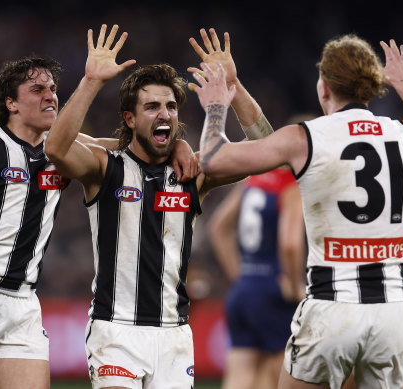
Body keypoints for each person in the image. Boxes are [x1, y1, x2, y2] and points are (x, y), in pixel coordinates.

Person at [0, 54, 197, 388]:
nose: (50, 96)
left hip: (23, 303)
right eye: (37, 89)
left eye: (53, 88)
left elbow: (133, 149)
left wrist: (178, 145)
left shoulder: (65, 148)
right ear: (11, 103)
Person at [191, 35, 403, 388]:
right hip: (392, 311)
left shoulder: (307, 138)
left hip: (331, 307)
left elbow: (213, 159)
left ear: (324, 85)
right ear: (370, 86)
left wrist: (216, 105)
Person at [44, 25, 270, 388]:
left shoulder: (194, 172)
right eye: (151, 107)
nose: (164, 114)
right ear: (130, 120)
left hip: (173, 336)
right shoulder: (106, 167)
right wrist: (90, 81)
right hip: (116, 331)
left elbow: (269, 150)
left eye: (170, 107)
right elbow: (55, 148)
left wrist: (235, 86)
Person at [209, 168, 305, 389]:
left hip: (243, 291)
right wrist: (293, 285)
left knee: (239, 378)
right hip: (274, 291)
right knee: (280, 379)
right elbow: (290, 243)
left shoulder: (252, 180)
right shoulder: (290, 183)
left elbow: (218, 226)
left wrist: (241, 276)